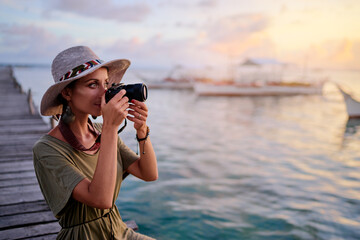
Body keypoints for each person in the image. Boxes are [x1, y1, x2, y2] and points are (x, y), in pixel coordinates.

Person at [33, 46, 158, 239]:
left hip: (118, 230)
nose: (104, 93)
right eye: (93, 85)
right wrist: (110, 128)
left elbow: (148, 174)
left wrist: (141, 130)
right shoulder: (46, 149)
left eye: (106, 84)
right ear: (67, 93)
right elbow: (100, 199)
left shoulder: (101, 131)